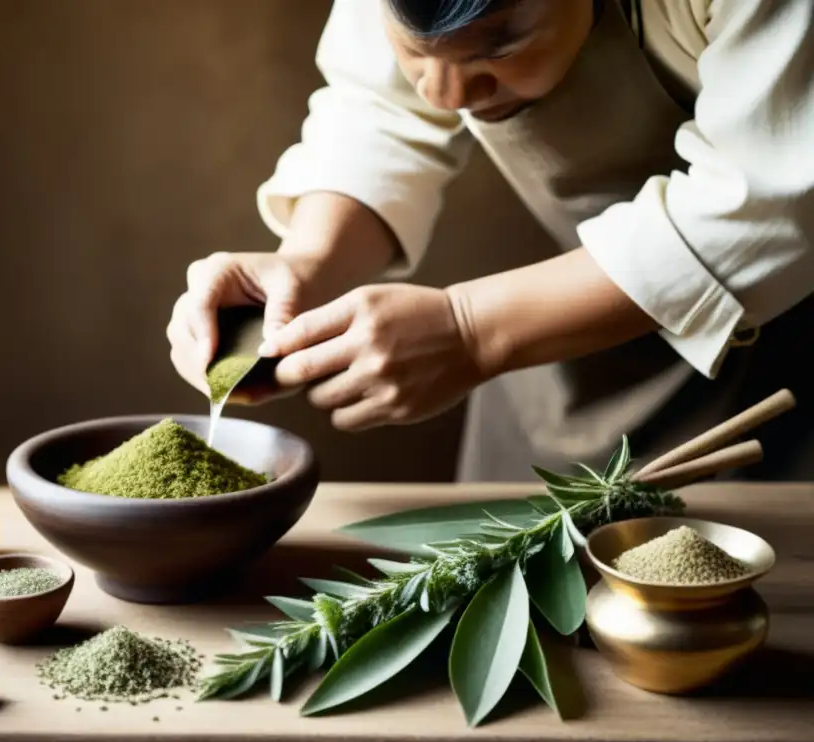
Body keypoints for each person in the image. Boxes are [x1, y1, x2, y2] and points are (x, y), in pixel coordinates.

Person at [167, 0, 814, 481]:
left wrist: (473, 330)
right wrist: (309, 260)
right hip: (555, 354)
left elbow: (771, 206)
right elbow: (384, 111)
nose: (447, 95)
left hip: (783, 371)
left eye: (498, 51)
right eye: (416, 52)